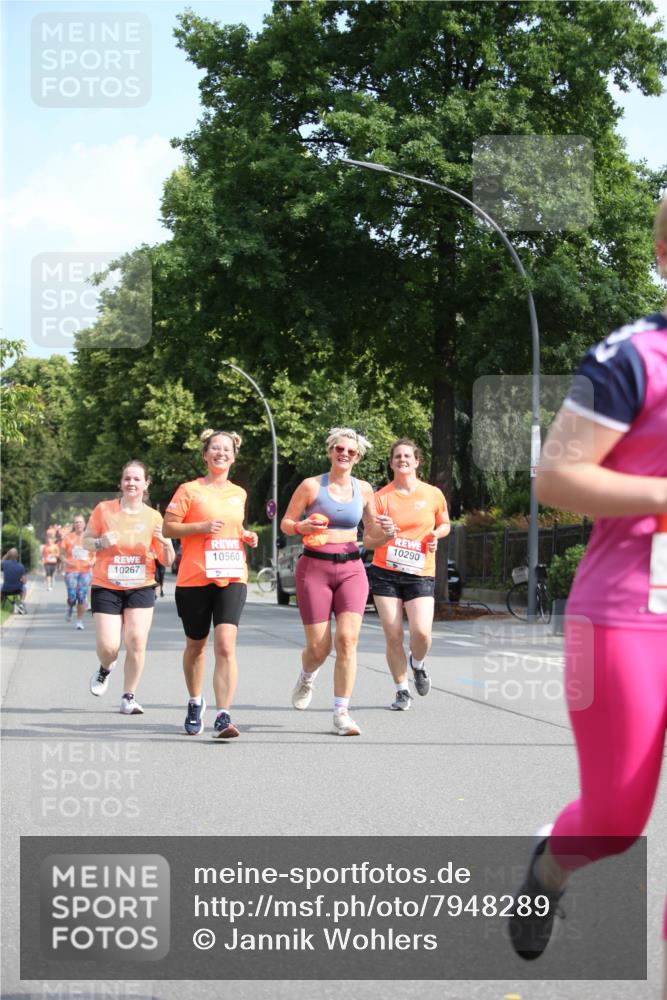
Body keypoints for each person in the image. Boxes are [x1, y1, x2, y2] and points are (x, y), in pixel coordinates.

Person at [508, 197, 667, 977]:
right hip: (625, 616)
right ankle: (547, 870)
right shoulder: (631, 357)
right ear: (664, 254)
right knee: (612, 820)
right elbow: (555, 476)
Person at [280, 427, 380, 737]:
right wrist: (301, 525)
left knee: (347, 641)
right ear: (330, 451)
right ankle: (307, 676)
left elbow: (373, 535)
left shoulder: (364, 489)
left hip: (352, 569)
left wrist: (386, 533)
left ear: (358, 457)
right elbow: (285, 523)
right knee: (319, 648)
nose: (345, 454)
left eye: (351, 451)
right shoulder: (311, 486)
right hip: (315, 569)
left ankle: (341, 713)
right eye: (340, 449)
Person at [163, 429, 258, 738]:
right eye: (215, 448)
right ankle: (194, 701)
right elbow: (168, 528)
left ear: (233, 455)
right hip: (194, 576)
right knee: (196, 646)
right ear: (205, 455)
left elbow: (235, 527)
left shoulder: (239, 493)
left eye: (226, 449)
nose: (221, 453)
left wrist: (247, 535)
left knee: (226, 646)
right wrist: (201, 526)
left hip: (231, 574)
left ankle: (223, 714)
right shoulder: (189, 490)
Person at [363, 438, 450, 711]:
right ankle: (402, 690)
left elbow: (445, 523)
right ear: (391, 463)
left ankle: (418, 664)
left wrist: (436, 534)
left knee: (421, 632)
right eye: (397, 456)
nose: (402, 460)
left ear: (416, 461)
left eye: (407, 456)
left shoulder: (432, 494)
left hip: (420, 571)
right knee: (393, 635)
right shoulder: (380, 498)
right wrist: (384, 531)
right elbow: (368, 539)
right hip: (385, 573)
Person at [84, 461, 174, 716]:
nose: (131, 483)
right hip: (106, 585)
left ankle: (128, 696)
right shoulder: (104, 510)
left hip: (141, 585)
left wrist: (165, 543)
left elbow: (167, 560)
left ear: (146, 484)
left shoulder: (154, 517)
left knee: (136, 640)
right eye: (127, 479)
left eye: (136, 479)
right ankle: (105, 668)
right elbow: (86, 541)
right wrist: (101, 541)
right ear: (121, 483)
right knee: (109, 647)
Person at [59, 514, 95, 629]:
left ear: (84, 524)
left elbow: (95, 555)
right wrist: (66, 561)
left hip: (85, 571)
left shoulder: (89, 538)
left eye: (80, 522)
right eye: (76, 522)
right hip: (71, 571)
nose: (78, 524)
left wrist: (92, 562)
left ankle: (79, 621)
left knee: (81, 595)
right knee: (72, 596)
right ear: (73, 525)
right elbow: (61, 554)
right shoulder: (68, 538)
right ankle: (70, 607)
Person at [1, 548, 27, 614]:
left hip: (5, 590)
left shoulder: (5, 564)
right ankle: (21, 603)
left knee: (1, 586)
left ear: (9, 556)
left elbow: (2, 559)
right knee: (24, 587)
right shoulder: (21, 566)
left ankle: (1, 601)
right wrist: (21, 580)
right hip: (18, 589)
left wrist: (7, 554)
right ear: (17, 556)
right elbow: (24, 581)